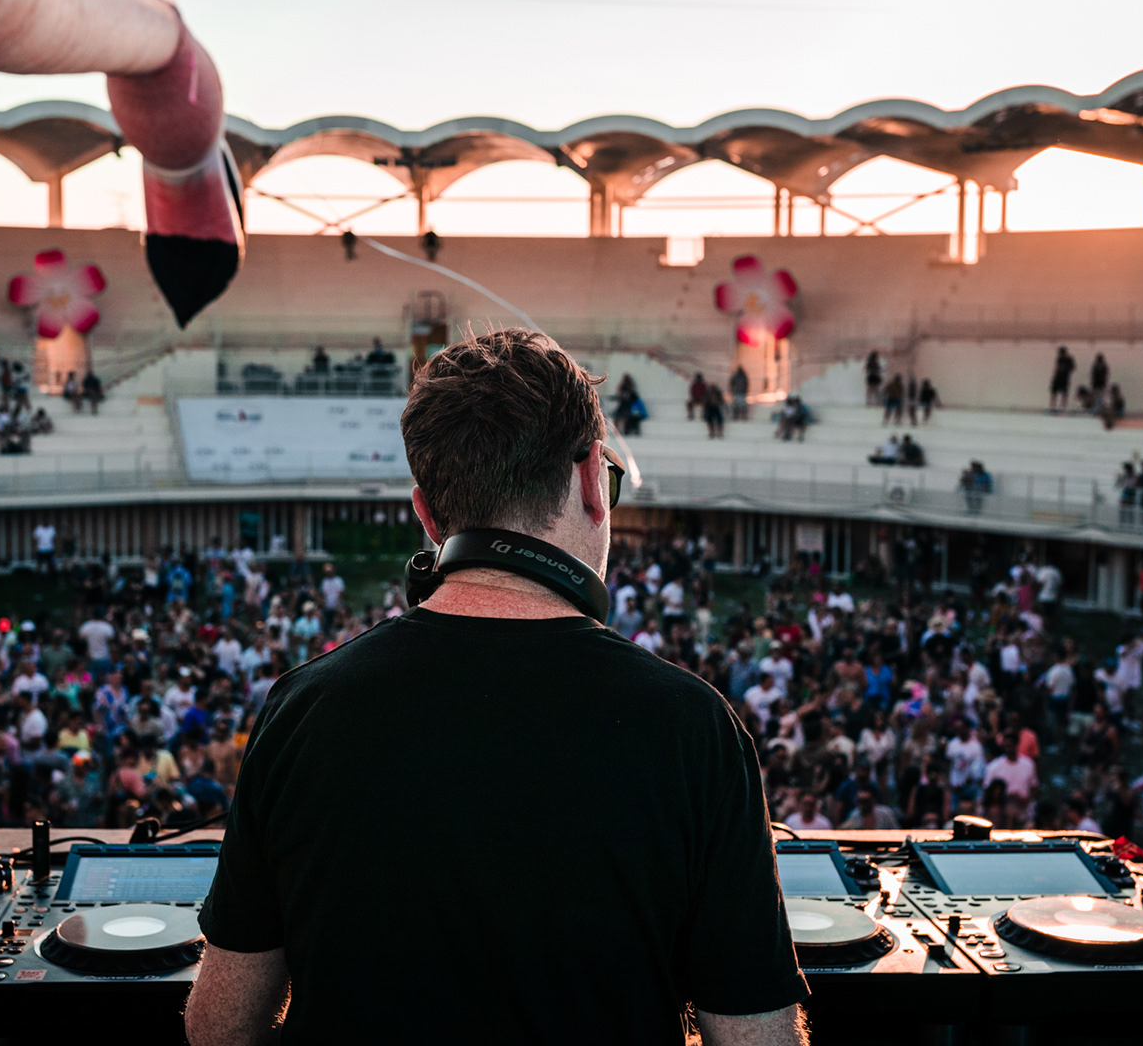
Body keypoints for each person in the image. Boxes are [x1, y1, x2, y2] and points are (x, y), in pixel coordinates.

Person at [185, 328, 808, 1044]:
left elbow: (220, 1028)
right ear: (591, 481)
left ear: (427, 515)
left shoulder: (301, 709)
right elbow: (756, 1038)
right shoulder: (696, 729)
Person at [1049, 346, 1075, 412]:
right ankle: (1053, 406)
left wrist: (1065, 369)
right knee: (1054, 392)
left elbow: (1072, 368)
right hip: (1058, 378)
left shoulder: (1069, 359)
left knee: (1064, 393)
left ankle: (1062, 407)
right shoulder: (1059, 358)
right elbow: (1057, 368)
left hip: (1064, 378)